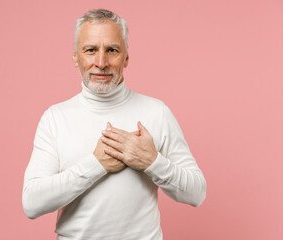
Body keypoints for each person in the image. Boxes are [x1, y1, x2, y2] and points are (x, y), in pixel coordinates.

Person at [22, 8, 207, 240]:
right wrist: (96, 165)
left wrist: (152, 161)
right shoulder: (55, 118)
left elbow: (197, 193)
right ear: (75, 56)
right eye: (91, 50)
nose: (101, 62)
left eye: (112, 50)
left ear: (126, 57)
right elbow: (31, 203)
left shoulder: (157, 112)